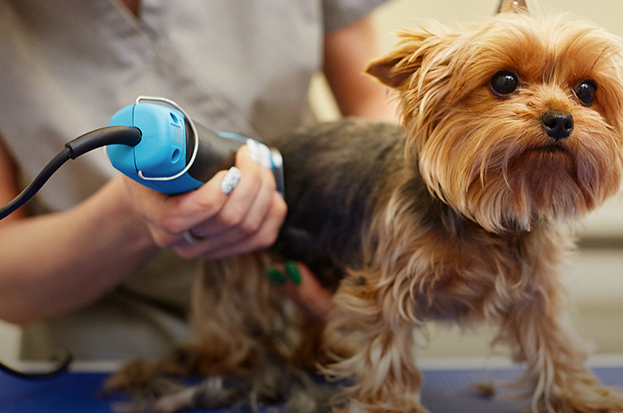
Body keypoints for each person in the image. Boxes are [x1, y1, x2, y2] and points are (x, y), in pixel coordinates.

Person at [0, 0, 395, 361]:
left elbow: (377, 100)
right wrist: (132, 218)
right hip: (113, 350)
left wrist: (376, 242)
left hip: (312, 296)